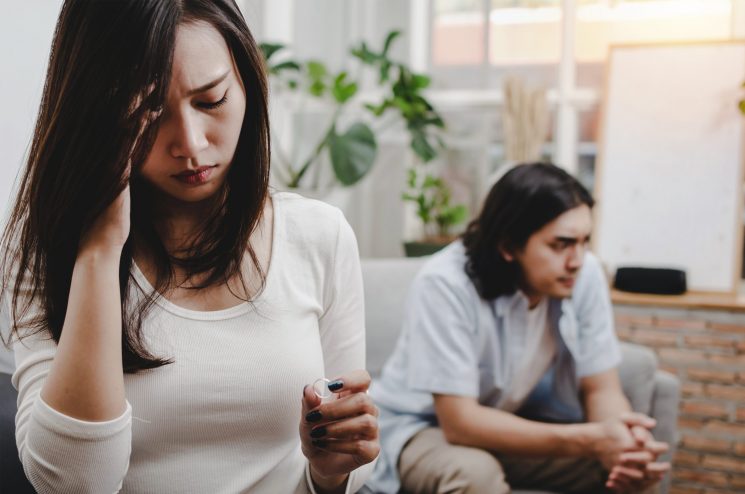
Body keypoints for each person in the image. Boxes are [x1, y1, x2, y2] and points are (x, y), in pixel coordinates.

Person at [0, 1, 378, 493]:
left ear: (246, 82)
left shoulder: (320, 236)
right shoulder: (45, 251)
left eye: (211, 100)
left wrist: (332, 467)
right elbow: (75, 484)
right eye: (147, 114)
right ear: (98, 116)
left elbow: (342, 468)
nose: (191, 144)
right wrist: (98, 248)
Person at [365, 163, 670, 494]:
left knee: (631, 471)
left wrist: (623, 438)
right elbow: (460, 422)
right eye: (561, 244)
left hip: (502, 422)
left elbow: (602, 388)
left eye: (585, 241)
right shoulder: (445, 284)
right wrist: (591, 439)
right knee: (475, 475)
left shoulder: (583, 273)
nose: (577, 259)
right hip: (420, 426)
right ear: (508, 246)